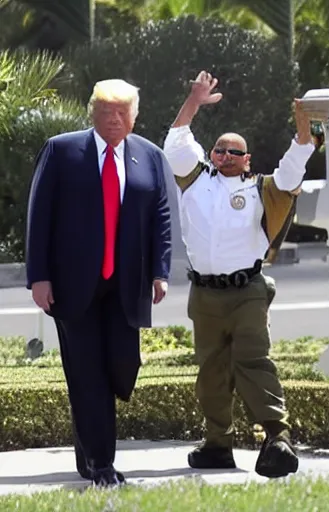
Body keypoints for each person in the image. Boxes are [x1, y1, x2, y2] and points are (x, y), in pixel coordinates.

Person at [162, 70, 315, 478]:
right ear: (211, 154)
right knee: (211, 370)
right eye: (220, 150)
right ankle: (217, 444)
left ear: (247, 160)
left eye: (235, 152)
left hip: (247, 290)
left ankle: (277, 437)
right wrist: (194, 100)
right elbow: (175, 142)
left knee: (252, 361)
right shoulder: (192, 179)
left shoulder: (262, 188)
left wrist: (303, 138)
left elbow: (290, 174)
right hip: (205, 294)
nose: (226, 156)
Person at [25, 79, 172, 487]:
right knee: (88, 374)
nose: (114, 119)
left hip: (126, 285)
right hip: (74, 286)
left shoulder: (148, 155)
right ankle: (101, 464)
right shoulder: (62, 150)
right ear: (92, 112)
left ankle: (88, 450)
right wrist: (39, 276)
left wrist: (161, 271)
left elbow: (160, 216)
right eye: (106, 111)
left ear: (134, 116)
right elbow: (39, 216)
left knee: (121, 368)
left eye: (122, 112)